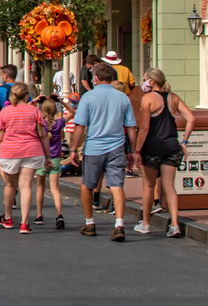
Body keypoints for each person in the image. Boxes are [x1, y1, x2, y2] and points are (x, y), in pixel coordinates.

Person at [69, 62, 138, 242]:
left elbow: (80, 125)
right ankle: (119, 224)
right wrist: (133, 150)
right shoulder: (123, 98)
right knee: (116, 185)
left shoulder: (88, 97)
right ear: (113, 78)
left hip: (94, 147)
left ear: (96, 79)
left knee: (87, 185)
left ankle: (89, 222)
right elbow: (131, 127)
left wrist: (74, 149)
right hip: (116, 147)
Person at [134, 67, 194, 238]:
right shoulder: (173, 97)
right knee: (169, 186)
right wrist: (184, 141)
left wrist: (137, 150)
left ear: (152, 81)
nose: (144, 82)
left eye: (145, 79)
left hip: (152, 147)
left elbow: (144, 128)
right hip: (172, 146)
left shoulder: (148, 99)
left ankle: (145, 224)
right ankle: (174, 224)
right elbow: (191, 118)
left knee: (148, 186)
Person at [0, 83, 52, 234]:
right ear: (27, 95)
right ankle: (24, 223)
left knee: (10, 185)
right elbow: (43, 136)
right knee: (26, 185)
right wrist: (48, 156)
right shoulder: (35, 111)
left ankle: (8, 217)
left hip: (10, 152)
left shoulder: (5, 112)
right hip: (32, 151)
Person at [34, 96, 66, 229]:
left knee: (40, 187)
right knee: (55, 189)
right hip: (55, 159)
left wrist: (34, 101)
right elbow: (73, 112)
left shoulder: (40, 124)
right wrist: (61, 102)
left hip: (42, 158)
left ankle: (39, 215)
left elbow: (27, 109)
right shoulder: (58, 124)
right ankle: (59, 214)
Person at [0, 64, 18, 132]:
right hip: (21, 127)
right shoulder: (23, 89)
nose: (1, 77)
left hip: (5, 127)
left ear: (6, 75)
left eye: (2, 74)